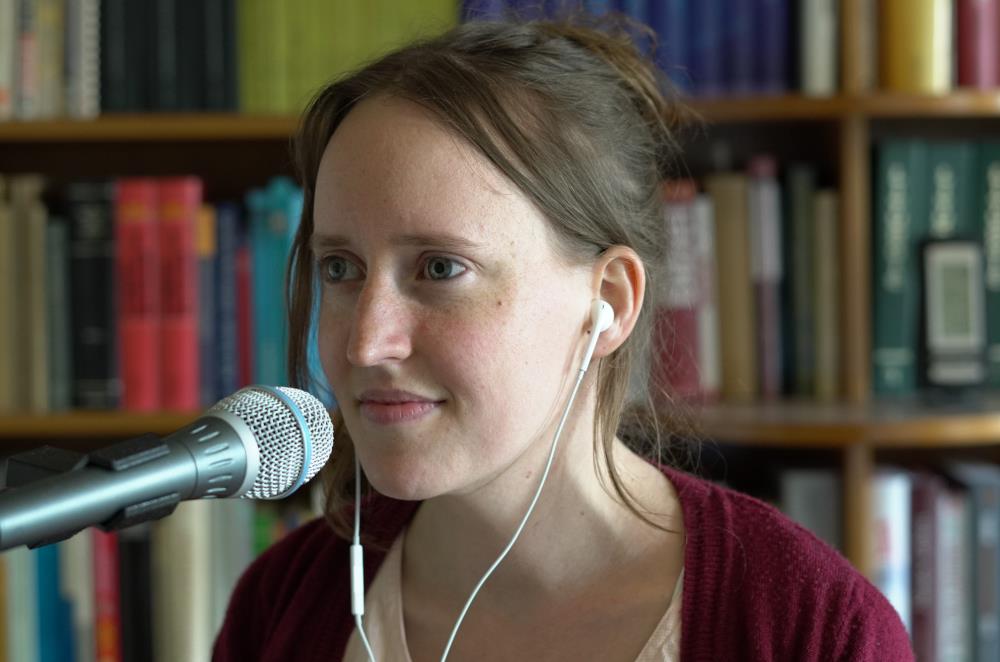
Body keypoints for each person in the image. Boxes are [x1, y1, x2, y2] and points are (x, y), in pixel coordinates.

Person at [212, 15, 913, 662]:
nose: (367, 344)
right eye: (340, 268)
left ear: (608, 302)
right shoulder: (280, 605)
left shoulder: (812, 630)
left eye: (440, 268)